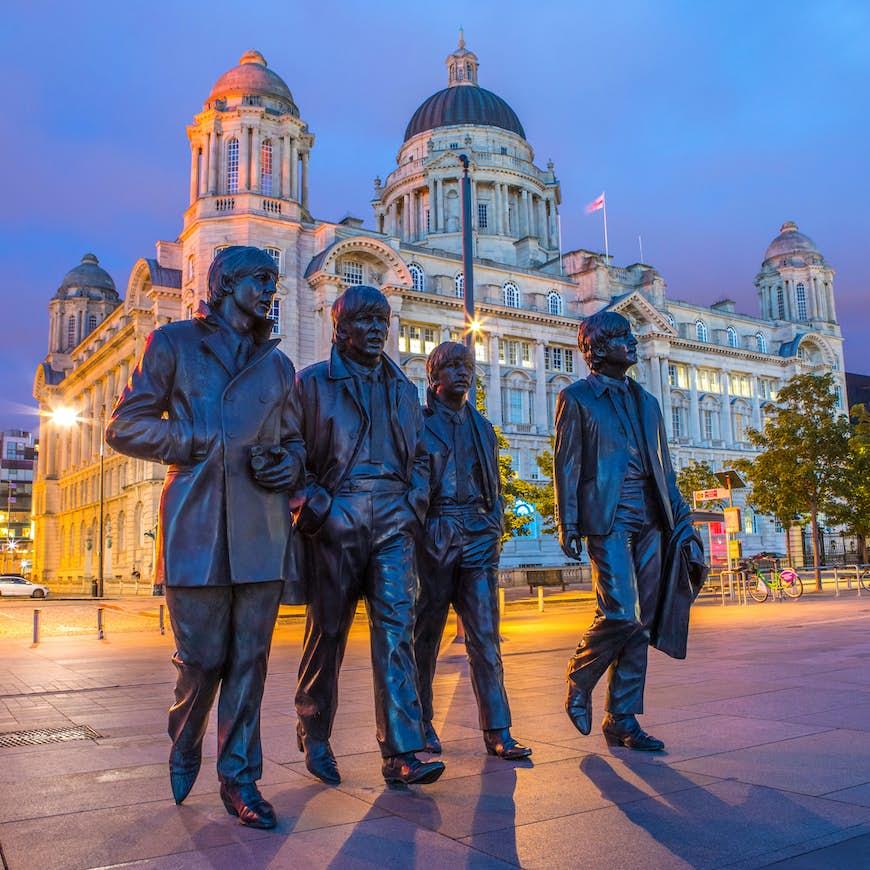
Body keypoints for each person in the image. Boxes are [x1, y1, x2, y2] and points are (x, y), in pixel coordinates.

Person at [106, 246, 304, 828]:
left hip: (262, 528)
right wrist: (192, 440)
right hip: (195, 523)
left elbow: (294, 444)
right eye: (260, 280)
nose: (271, 290)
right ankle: (186, 734)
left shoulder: (278, 366)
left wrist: (286, 466)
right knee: (202, 658)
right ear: (225, 285)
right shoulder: (173, 344)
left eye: (273, 280)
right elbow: (125, 426)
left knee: (251, 660)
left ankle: (240, 777)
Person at [292, 284, 444, 787]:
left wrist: (412, 505)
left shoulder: (404, 390)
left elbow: (421, 457)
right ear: (340, 328)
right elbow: (287, 456)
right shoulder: (311, 384)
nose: (378, 329)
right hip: (338, 518)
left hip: (394, 522)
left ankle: (401, 751)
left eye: (383, 321)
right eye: (366, 320)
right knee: (327, 633)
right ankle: (314, 730)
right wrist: (319, 507)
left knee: (397, 632)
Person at [553, 310, 701, 751]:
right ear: (597, 348)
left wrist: (682, 519)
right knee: (622, 613)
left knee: (642, 624)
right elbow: (567, 463)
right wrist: (569, 521)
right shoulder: (577, 397)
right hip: (608, 515)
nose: (632, 341)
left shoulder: (648, 401)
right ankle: (581, 677)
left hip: (653, 517)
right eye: (621, 336)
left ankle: (623, 718)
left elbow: (665, 467)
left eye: (630, 335)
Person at [414, 342, 531, 761]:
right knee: (424, 637)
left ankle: (498, 730)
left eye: (466, 366)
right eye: (451, 367)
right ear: (434, 378)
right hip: (435, 534)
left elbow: (494, 486)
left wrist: (494, 525)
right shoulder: (418, 423)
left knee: (485, 638)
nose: (462, 373)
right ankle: (421, 722)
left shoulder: (482, 427)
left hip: (478, 535)